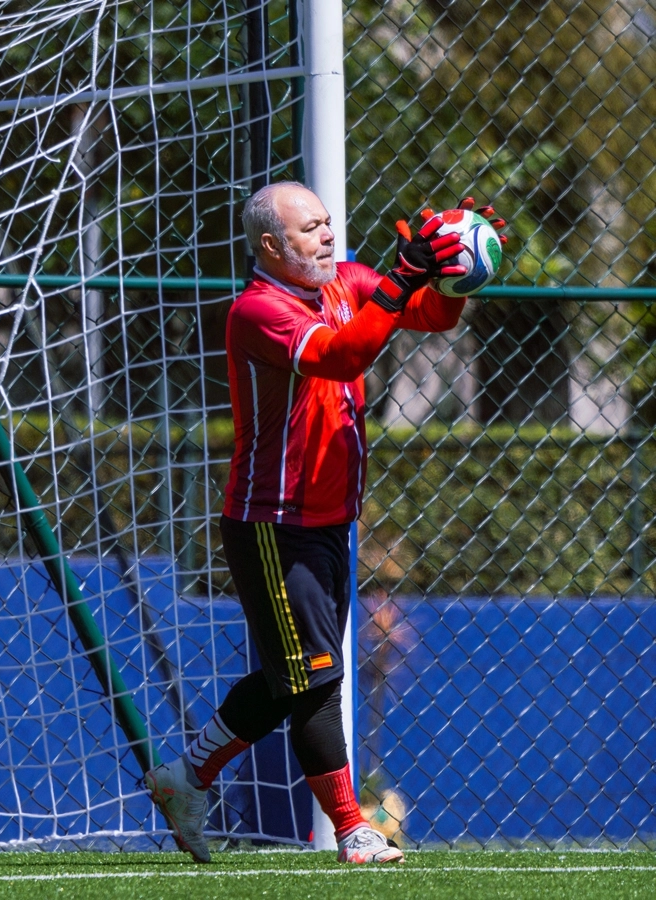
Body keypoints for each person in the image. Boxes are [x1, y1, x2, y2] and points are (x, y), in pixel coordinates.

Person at [146, 182, 505, 864]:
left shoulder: (349, 281)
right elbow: (342, 356)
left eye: (327, 223)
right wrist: (401, 279)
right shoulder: (257, 309)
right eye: (309, 228)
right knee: (315, 675)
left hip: (331, 520)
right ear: (270, 245)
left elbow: (433, 318)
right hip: (273, 524)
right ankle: (351, 829)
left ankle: (186, 777)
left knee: (294, 673)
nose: (327, 235)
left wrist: (453, 273)